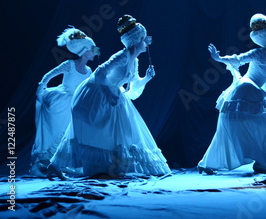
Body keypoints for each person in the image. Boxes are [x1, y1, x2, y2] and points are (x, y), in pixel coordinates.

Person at [50, 15, 171, 178]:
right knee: (93, 133)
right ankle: (55, 165)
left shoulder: (134, 60)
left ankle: (113, 166)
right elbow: (100, 73)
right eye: (144, 39)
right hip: (96, 94)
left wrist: (147, 78)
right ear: (136, 40)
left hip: (113, 95)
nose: (146, 43)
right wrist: (109, 94)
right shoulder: (122, 55)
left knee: (121, 131)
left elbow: (133, 86)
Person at [198, 13, 266, 174]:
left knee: (262, 126)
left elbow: (264, 83)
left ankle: (262, 161)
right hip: (246, 90)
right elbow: (238, 59)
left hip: (254, 91)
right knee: (262, 125)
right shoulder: (259, 53)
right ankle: (264, 161)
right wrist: (218, 58)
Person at [30, 27, 99, 177]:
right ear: (85, 50)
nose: (95, 52)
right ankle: (36, 165)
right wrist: (40, 90)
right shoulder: (70, 64)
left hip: (75, 104)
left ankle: (59, 164)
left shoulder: (88, 71)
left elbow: (93, 86)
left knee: (67, 135)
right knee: (51, 133)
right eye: (92, 49)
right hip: (61, 102)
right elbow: (48, 76)